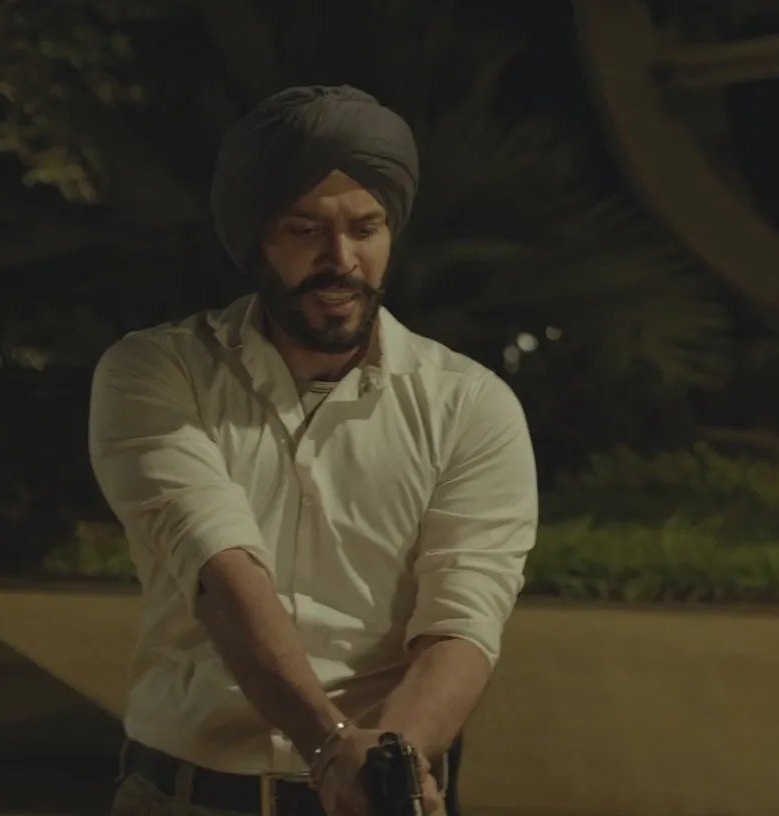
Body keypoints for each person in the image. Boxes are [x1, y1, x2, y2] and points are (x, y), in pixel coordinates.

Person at [88, 85, 539, 816]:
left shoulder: (469, 406)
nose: (341, 258)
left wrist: (386, 766)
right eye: (305, 229)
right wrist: (330, 744)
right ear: (256, 240)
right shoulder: (157, 374)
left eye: (366, 228)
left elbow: (462, 619)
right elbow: (220, 567)